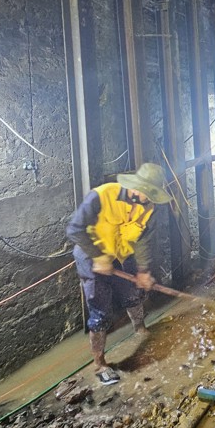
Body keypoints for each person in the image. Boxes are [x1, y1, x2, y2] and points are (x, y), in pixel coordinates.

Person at [66, 163, 172, 385]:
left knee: (133, 294)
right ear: (137, 186)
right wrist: (98, 256)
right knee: (101, 312)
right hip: (90, 255)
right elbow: (74, 229)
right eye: (148, 193)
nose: (149, 198)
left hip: (121, 254)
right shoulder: (102, 195)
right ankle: (100, 363)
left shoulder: (148, 207)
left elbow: (142, 240)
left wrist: (143, 271)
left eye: (153, 194)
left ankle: (140, 328)